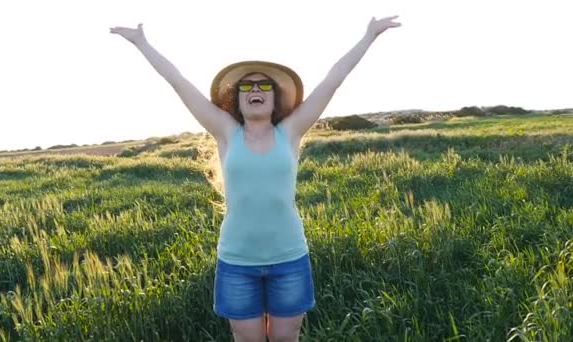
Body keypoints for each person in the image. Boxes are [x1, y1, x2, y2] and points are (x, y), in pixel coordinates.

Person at [110, 15, 401, 342]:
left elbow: (333, 80)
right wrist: (142, 43)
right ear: (238, 98)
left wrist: (368, 36)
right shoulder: (225, 131)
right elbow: (178, 82)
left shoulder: (291, 131)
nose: (255, 90)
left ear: (276, 98)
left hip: (289, 258)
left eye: (264, 85)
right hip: (237, 262)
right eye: (247, 86)